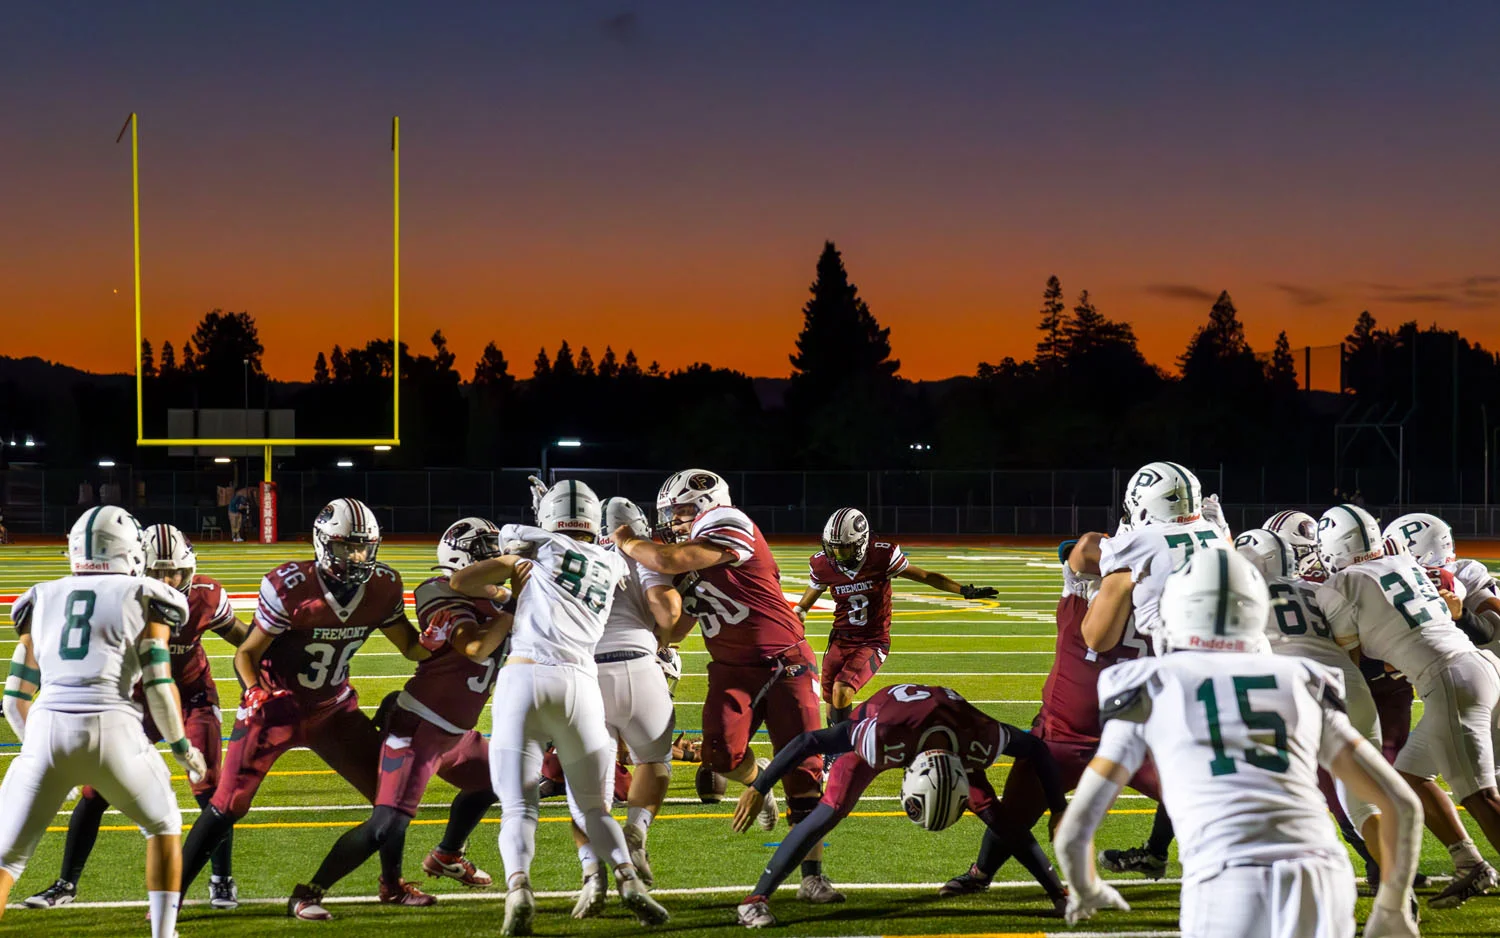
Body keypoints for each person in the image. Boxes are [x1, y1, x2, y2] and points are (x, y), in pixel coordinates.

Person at [1055, 546, 1423, 938]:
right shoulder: (1303, 678)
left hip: (1227, 876)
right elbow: (1402, 804)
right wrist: (1391, 905)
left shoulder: (1151, 682)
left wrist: (1086, 886)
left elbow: (1076, 829)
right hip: (1321, 873)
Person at [178, 498, 429, 904]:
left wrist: (459, 640)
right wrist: (253, 690)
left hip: (334, 710)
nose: (358, 556)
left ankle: (392, 885)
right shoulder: (292, 586)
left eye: (364, 547)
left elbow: (412, 648)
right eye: (347, 547)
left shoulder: (383, 586)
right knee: (227, 804)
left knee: (392, 799)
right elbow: (246, 653)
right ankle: (169, 897)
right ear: (324, 543)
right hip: (277, 707)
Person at [450, 480, 669, 936]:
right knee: (595, 808)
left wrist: (506, 579)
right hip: (581, 684)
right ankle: (629, 882)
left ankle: (519, 890)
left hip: (525, 677)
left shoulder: (534, 546)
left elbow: (461, 580)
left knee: (519, 807)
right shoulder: (612, 561)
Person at [613, 469, 840, 903]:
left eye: (680, 510)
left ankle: (813, 876)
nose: (674, 520)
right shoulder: (692, 551)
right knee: (720, 757)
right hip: (731, 668)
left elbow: (667, 559)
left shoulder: (727, 521)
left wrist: (627, 541)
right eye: (670, 513)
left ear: (705, 503)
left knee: (804, 775)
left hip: (784, 662)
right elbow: (677, 629)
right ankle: (760, 783)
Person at [289, 517, 512, 920]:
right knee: (384, 826)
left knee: (497, 780)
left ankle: (446, 855)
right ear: (461, 555)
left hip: (457, 734)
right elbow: (475, 648)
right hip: (419, 729)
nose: (496, 558)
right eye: (485, 551)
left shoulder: (497, 595)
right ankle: (308, 893)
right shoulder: (438, 590)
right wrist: (514, 611)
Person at [0, 506, 206, 938]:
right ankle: (164, 934)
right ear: (131, 550)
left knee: (7, 861)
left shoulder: (40, 595)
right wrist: (182, 748)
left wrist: (37, 748)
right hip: (114, 728)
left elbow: (15, 696)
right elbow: (158, 681)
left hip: (46, 727)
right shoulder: (148, 594)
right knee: (164, 825)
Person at [26, 523, 250, 911]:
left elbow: (241, 636)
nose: (169, 579)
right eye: (159, 572)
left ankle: (222, 878)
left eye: (176, 571)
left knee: (210, 787)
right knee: (95, 792)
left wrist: (276, 655)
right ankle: (65, 882)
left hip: (191, 695)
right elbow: (76, 654)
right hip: (134, 698)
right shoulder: (119, 598)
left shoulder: (205, 595)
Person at [729, 682, 1067, 928]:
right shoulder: (879, 738)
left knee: (995, 813)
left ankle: (1060, 894)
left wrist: (1059, 808)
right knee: (829, 810)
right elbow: (809, 741)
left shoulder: (980, 736)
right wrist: (760, 786)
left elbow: (1036, 750)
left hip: (949, 731)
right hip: (887, 718)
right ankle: (754, 900)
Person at [937, 533, 1156, 905]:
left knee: (1203, 795)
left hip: (1137, 738)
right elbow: (1084, 549)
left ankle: (1188, 862)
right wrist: (1144, 555)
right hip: (1063, 736)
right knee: (1014, 814)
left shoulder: (1164, 593)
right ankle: (982, 872)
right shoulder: (1086, 585)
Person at [1317, 502, 1500, 908]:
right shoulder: (1404, 564)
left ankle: (1476, 863)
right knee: (1411, 777)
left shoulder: (1342, 584)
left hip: (1449, 678)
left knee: (1480, 795)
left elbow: (1351, 662)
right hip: (1473, 665)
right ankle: (1470, 863)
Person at [1086, 461, 1229, 877]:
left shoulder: (1144, 538)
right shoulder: (1217, 533)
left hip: (1187, 672)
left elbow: (1095, 562)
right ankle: (1156, 851)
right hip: (1243, 661)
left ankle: (1220, 867)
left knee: (1189, 775)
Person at [563, 497, 683, 917]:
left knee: (585, 790)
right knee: (654, 760)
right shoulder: (644, 556)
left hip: (583, 674)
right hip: (638, 668)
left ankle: (591, 875)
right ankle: (635, 835)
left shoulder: (574, 556)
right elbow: (667, 614)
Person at [790, 507, 997, 729]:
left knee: (842, 691)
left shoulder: (881, 557)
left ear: (861, 543)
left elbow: (925, 576)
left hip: (872, 639)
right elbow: (810, 595)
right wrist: (799, 613)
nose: (837, 556)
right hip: (840, 638)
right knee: (831, 698)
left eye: (844, 549)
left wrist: (963, 589)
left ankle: (841, 750)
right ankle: (836, 748)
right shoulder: (823, 565)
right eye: (833, 549)